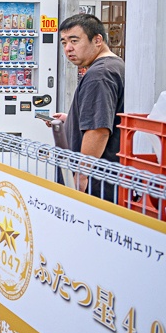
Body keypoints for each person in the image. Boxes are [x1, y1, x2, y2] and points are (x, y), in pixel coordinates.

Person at [52, 13, 124, 202]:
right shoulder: (115, 66)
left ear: (97, 40)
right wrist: (73, 120)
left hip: (96, 182)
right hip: (108, 177)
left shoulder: (99, 74)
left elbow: (98, 130)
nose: (68, 49)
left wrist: (81, 176)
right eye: (64, 42)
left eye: (74, 40)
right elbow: (108, 116)